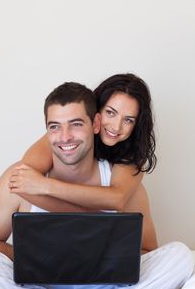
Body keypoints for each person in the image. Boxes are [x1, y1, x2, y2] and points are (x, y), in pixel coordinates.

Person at [0, 81, 193, 289]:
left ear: (93, 124)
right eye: (55, 126)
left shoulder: (126, 181)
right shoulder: (22, 177)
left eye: (76, 124)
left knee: (182, 257)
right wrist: (40, 257)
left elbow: (147, 253)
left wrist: (102, 256)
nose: (65, 136)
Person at [8, 73, 157, 213]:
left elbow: (117, 199)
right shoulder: (65, 136)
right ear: (96, 114)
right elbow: (22, 182)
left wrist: (46, 186)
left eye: (128, 120)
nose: (116, 127)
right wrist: (91, 219)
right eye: (110, 113)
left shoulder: (133, 149)